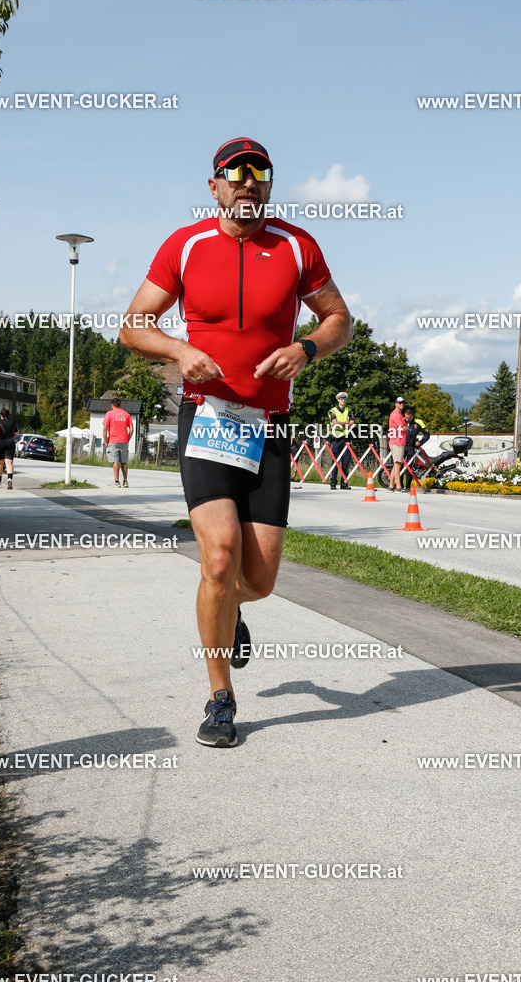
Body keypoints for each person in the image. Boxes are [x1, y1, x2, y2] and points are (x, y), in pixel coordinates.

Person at [119, 136, 352, 748]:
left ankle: (231, 610)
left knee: (261, 578)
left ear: (269, 186)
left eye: (260, 174)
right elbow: (132, 325)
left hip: (271, 427)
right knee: (218, 559)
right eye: (234, 174)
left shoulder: (297, 246)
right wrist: (178, 350)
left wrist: (306, 348)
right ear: (214, 186)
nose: (247, 183)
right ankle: (221, 696)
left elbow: (339, 320)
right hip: (208, 419)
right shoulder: (186, 246)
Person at [102, 398, 134, 487]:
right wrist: (128, 438)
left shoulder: (109, 414)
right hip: (124, 441)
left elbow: (105, 428)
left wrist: (105, 440)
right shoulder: (126, 414)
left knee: (115, 460)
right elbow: (131, 428)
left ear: (112, 404)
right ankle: (125, 481)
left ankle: (116, 482)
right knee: (123, 461)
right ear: (120, 405)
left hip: (113, 440)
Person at [328, 391, 355, 490]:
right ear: (338, 400)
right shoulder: (333, 411)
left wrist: (342, 423)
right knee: (335, 461)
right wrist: (346, 423)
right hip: (336, 439)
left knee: (346, 461)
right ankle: (333, 483)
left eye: (345, 398)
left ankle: (344, 483)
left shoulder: (349, 410)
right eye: (341, 398)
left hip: (346, 438)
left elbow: (352, 423)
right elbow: (335, 423)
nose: (343, 400)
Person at [401, 406, 429, 490]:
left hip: (411, 447)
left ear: (412, 416)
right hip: (401, 446)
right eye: (406, 418)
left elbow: (427, 434)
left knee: (409, 467)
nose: (407, 419)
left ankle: (407, 487)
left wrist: (421, 442)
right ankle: (400, 486)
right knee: (400, 466)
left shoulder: (418, 422)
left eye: (409, 418)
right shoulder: (401, 420)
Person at [0, 408, 19, 489]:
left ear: (1, 415)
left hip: (0, 442)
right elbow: (16, 434)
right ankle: (9, 478)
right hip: (10, 443)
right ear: (8, 415)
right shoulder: (12, 422)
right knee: (9, 463)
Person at [387, 396, 407, 492]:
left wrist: (405, 427)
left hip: (398, 441)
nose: (401, 404)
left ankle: (391, 486)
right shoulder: (395, 415)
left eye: (403, 402)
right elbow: (402, 428)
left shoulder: (399, 414)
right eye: (399, 402)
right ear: (396, 404)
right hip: (397, 442)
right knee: (398, 464)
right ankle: (398, 486)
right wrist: (405, 427)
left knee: (396, 464)